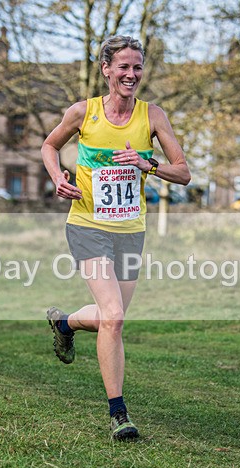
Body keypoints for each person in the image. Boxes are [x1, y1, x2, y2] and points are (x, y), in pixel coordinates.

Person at [41, 35, 191, 441]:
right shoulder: (83, 112)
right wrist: (58, 178)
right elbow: (50, 146)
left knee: (111, 317)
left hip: (130, 231)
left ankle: (65, 323)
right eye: (123, 66)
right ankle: (118, 413)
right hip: (87, 225)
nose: (131, 74)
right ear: (106, 69)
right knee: (115, 316)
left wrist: (146, 163)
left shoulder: (152, 116)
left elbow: (183, 172)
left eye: (137, 67)